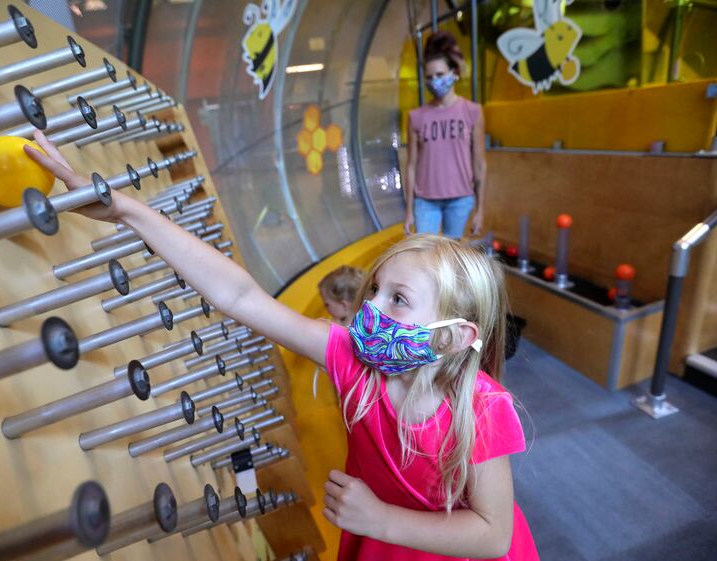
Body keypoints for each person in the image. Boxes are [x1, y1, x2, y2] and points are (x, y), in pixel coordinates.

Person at [26, 131, 538, 561]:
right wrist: (126, 212)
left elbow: (493, 534)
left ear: (451, 338)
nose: (371, 308)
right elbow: (239, 294)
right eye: (375, 289)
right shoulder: (352, 361)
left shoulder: (483, 409)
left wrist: (381, 519)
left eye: (397, 299)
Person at [405, 31, 487, 240]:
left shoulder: (472, 111)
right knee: (426, 256)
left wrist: (481, 210)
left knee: (451, 257)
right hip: (425, 200)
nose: (434, 82)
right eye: (429, 77)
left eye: (440, 75)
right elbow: (411, 165)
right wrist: (408, 211)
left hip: (460, 199)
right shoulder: (416, 117)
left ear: (453, 72)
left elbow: (479, 164)